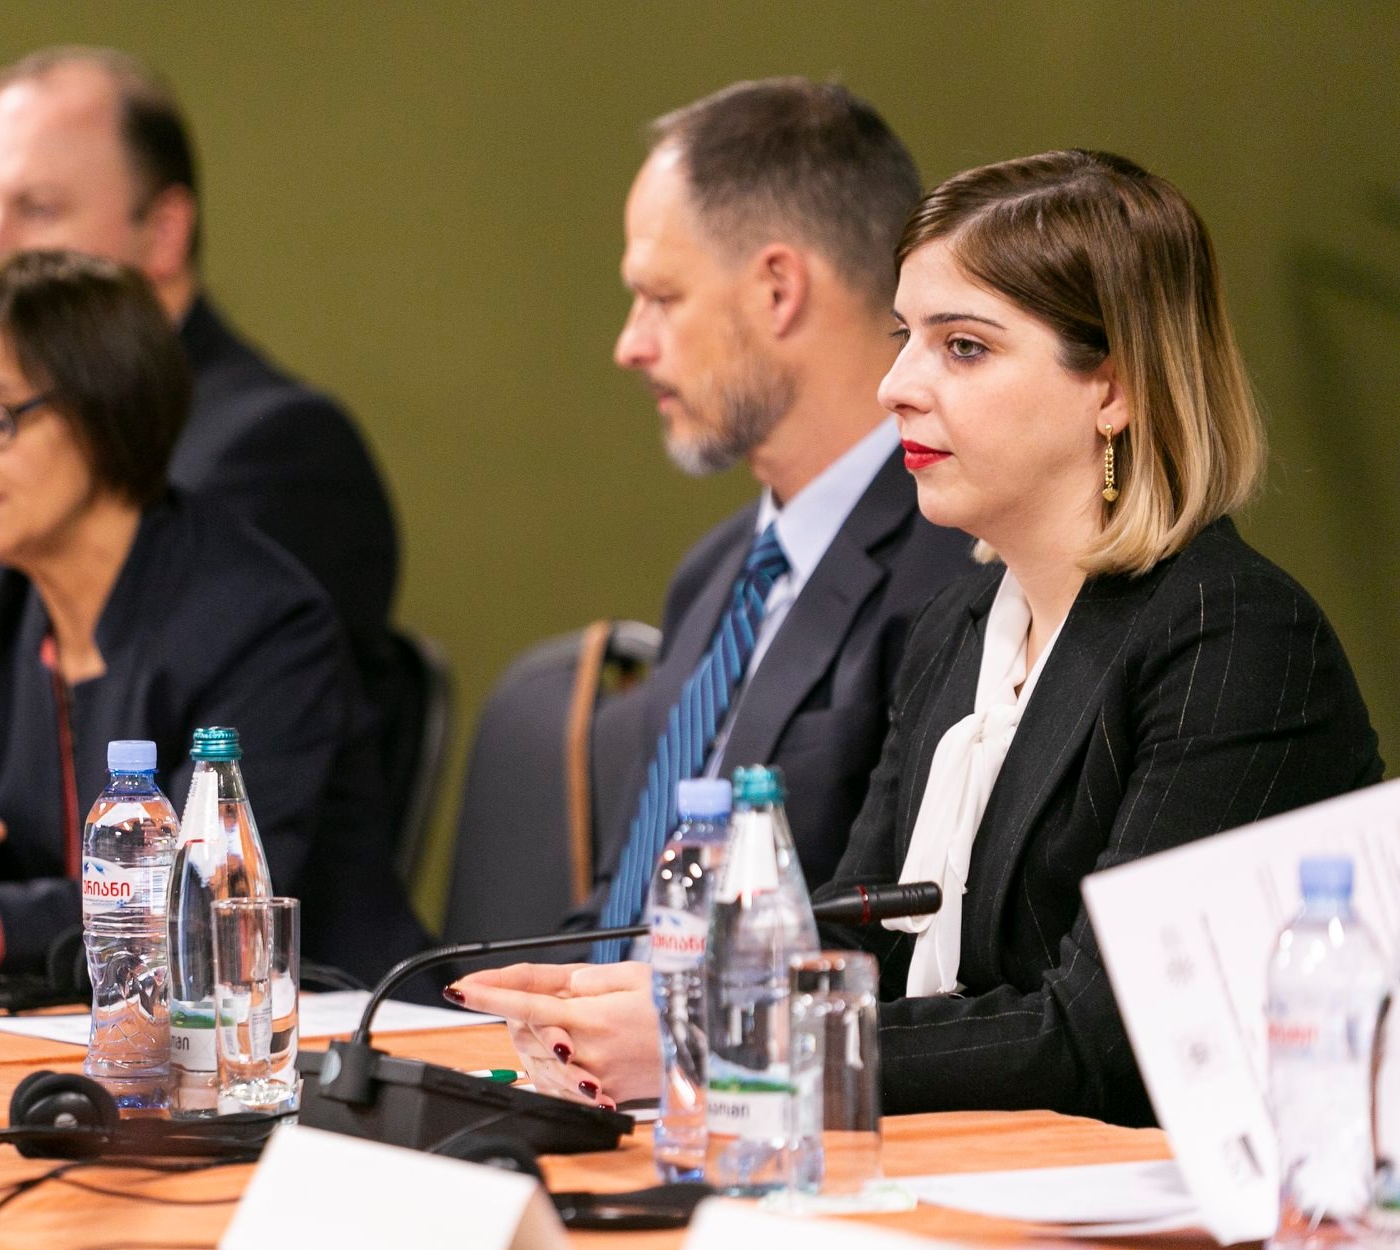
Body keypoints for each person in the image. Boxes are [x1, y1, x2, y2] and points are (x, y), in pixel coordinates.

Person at [452, 149, 1381, 1125]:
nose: (895, 385)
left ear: (1113, 387)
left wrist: (726, 1037)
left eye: (963, 346)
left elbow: (1100, 1041)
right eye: (905, 337)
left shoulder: (1231, 635)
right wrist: (653, 994)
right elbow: (856, 941)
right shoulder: (960, 622)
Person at [0, 44, 407, 906]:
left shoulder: (263, 503)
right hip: (67, 980)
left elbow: (196, 894)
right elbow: (0, 845)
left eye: (37, 209)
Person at [0, 250, 426, 984]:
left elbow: (199, 903)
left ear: (107, 410)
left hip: (316, 1024)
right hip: (81, 1029)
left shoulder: (257, 623)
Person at [580, 79, 973, 953]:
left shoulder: (956, 574)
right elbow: (626, 911)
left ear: (776, 290)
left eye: (661, 297)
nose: (630, 344)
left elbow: (899, 950)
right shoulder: (715, 572)